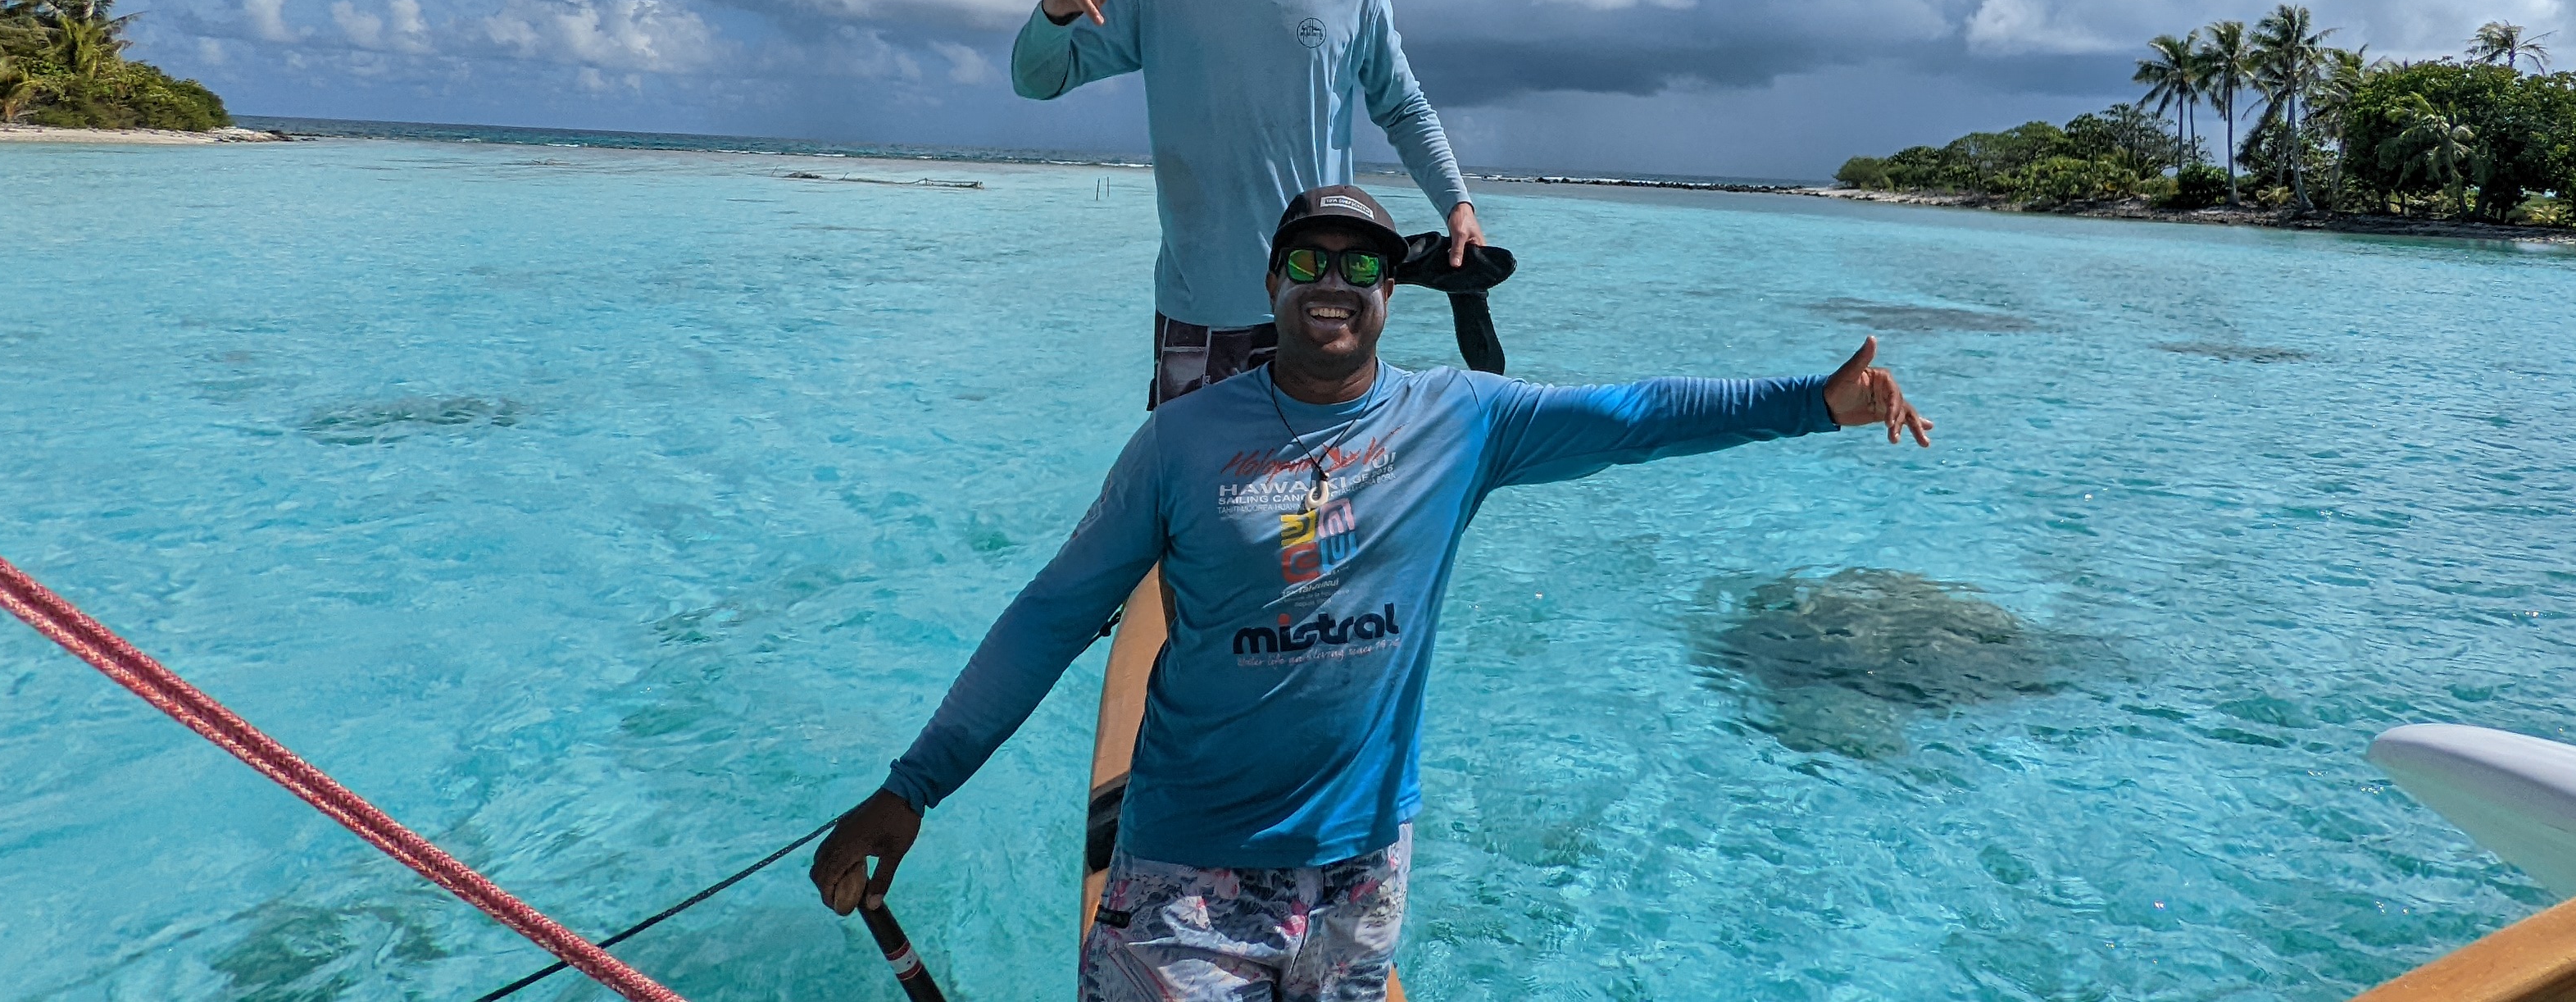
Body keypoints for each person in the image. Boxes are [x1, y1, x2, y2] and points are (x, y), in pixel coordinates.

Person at [811, 185, 1935, 1000]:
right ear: (1272, 283)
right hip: (1186, 872)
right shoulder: (1178, 443)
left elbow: (1636, 417)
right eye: (1307, 262)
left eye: (1358, 263)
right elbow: (1054, 615)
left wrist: (1810, 400)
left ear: (1392, 285)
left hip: (1361, 874)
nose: (1333, 283)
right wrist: (914, 786)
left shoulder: (1462, 421)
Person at [1023, 0, 1484, 408]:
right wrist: (1051, 19)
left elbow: (1403, 107)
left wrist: (1457, 204)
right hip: (1198, 307)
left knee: (1320, 500)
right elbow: (1038, 80)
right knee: (1185, 493)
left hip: (1325, 299)